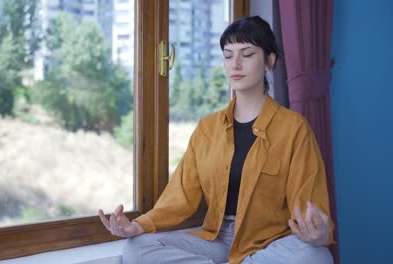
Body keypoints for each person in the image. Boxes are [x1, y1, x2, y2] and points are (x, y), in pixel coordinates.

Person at [98, 15, 335, 264]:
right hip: (217, 240)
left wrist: (317, 234)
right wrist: (136, 226)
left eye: (247, 54)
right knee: (136, 249)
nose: (235, 64)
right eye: (228, 55)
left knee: (315, 256)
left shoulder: (294, 128)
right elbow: (179, 198)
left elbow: (308, 210)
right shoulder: (207, 129)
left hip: (271, 242)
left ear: (269, 61)